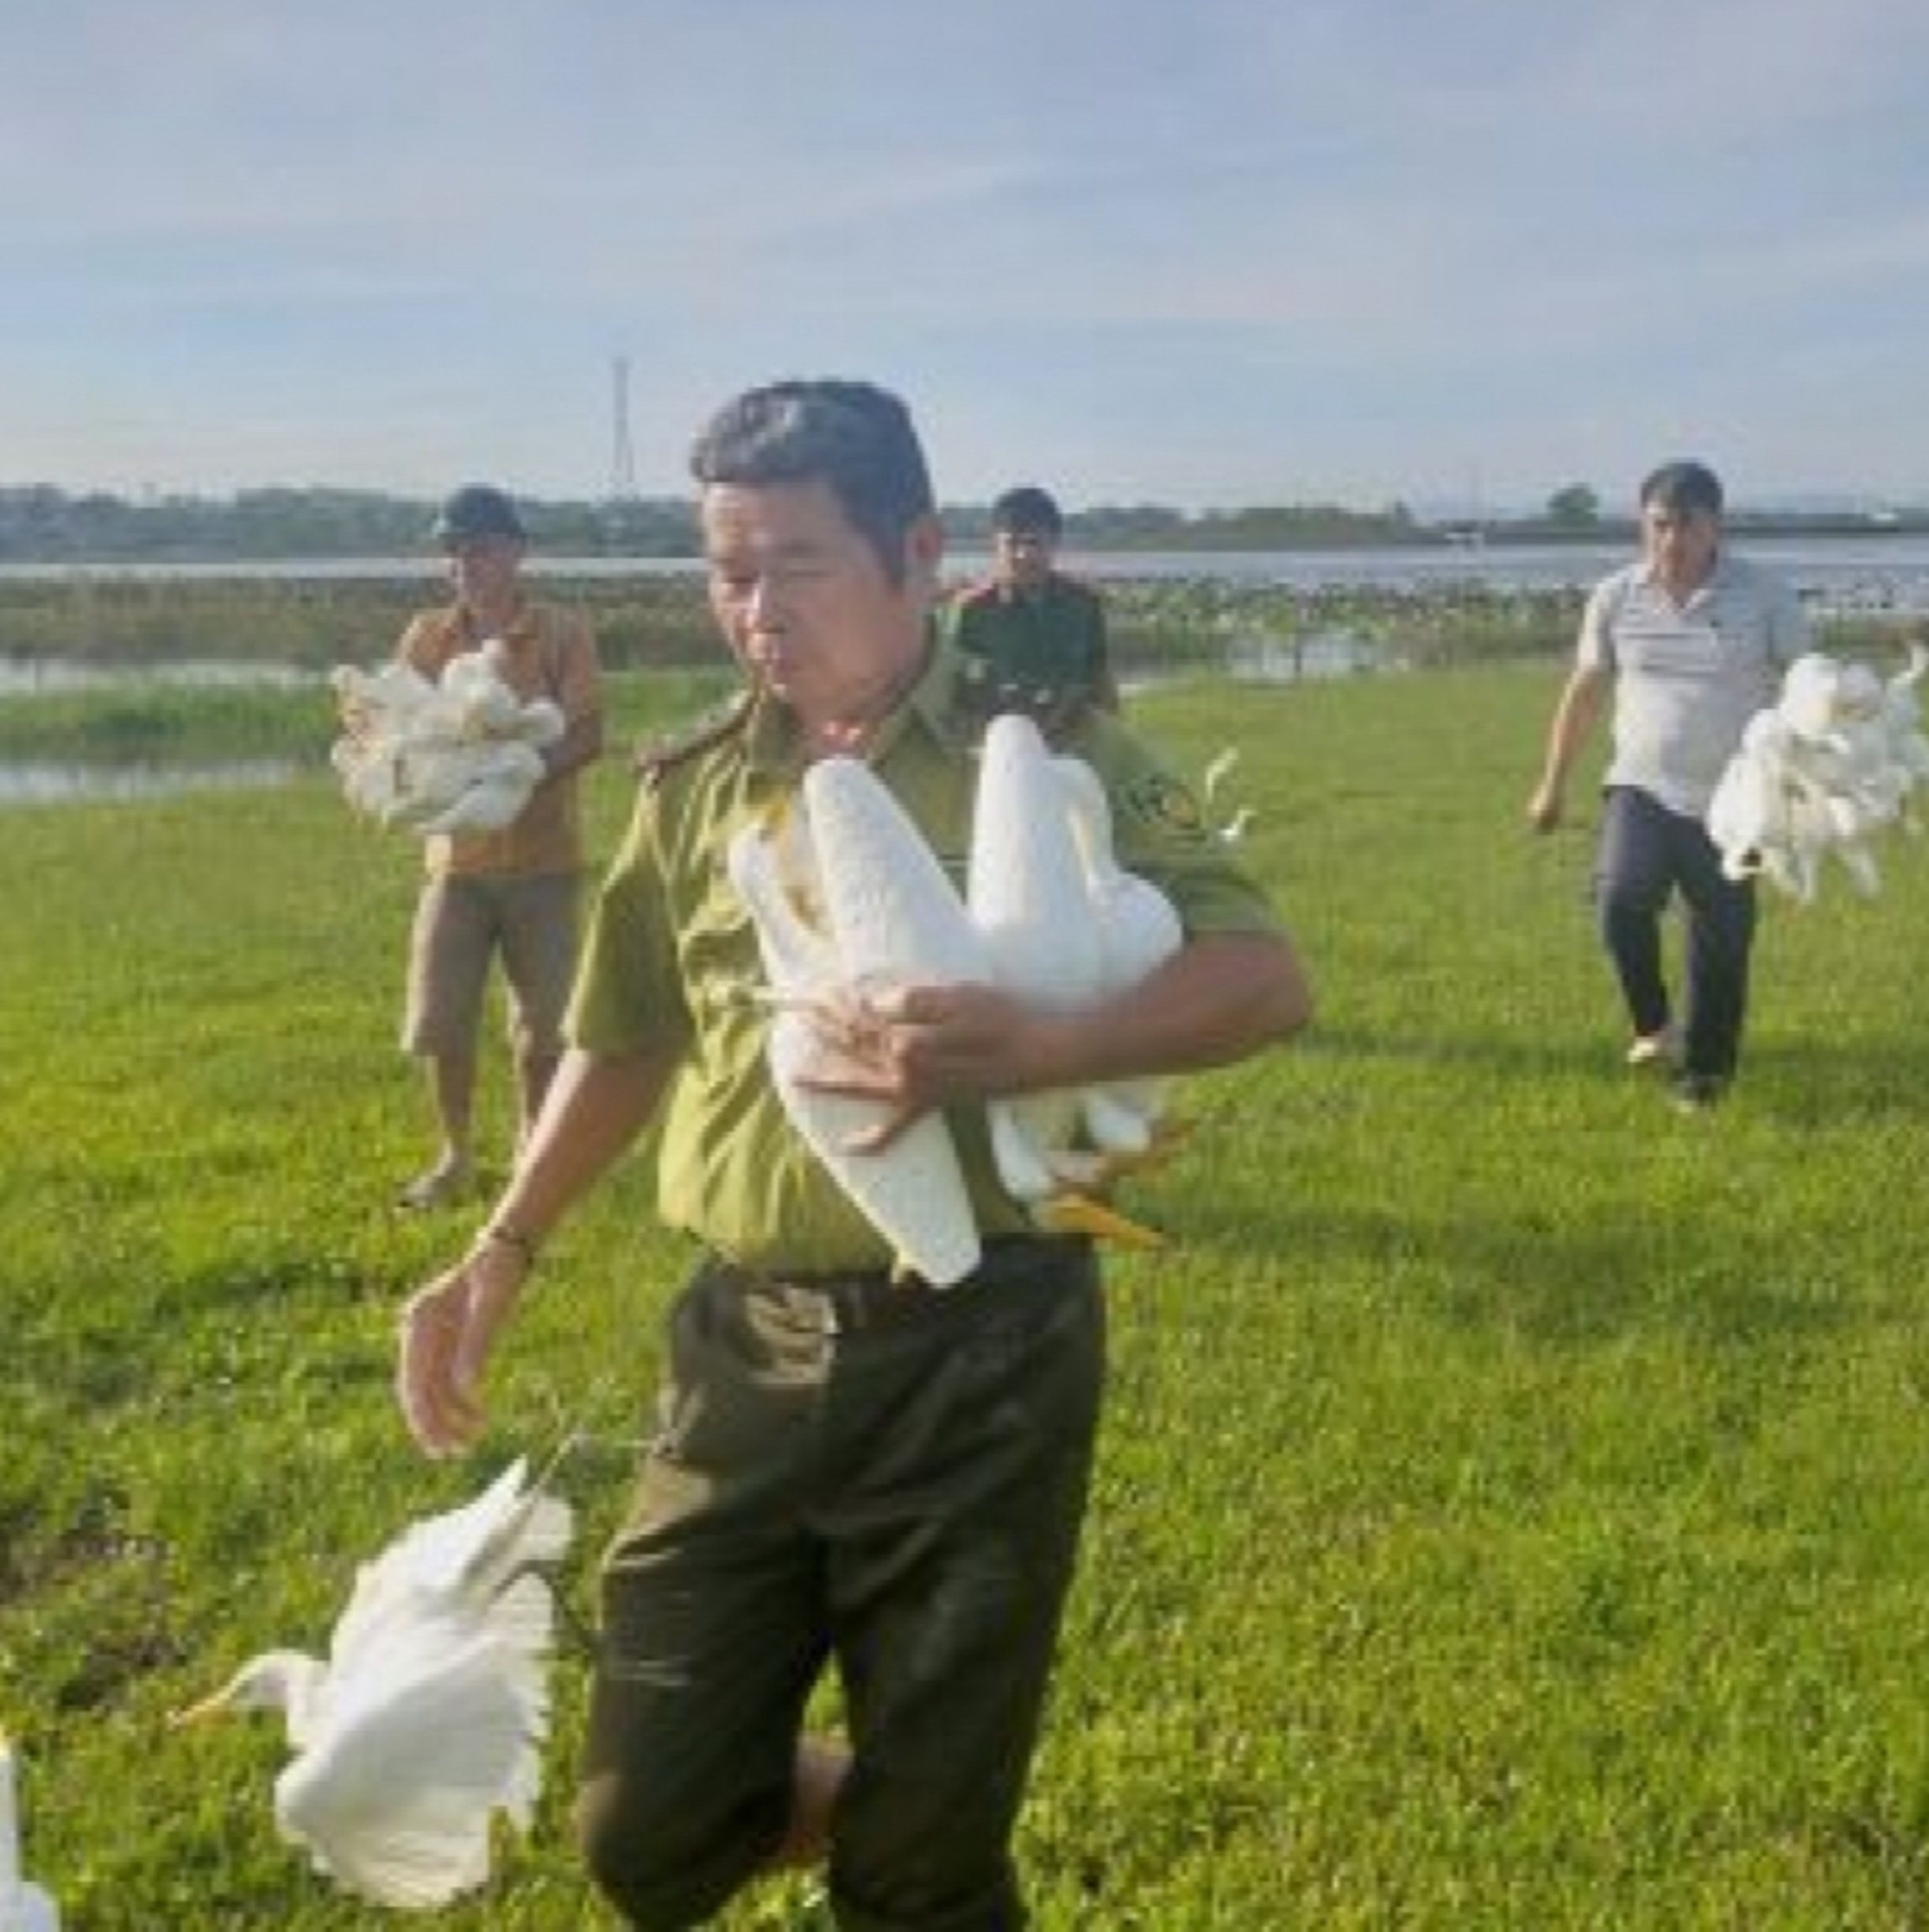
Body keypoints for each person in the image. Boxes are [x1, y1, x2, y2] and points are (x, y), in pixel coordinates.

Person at [395, 379, 1310, 1931]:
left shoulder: (1062, 748)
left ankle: (923, 1836)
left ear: (919, 552)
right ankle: (894, 1805)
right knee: (646, 1831)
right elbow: (625, 1033)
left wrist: (1045, 1047)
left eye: (794, 567)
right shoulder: (695, 789)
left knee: (919, 1877)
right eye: (726, 572)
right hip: (740, 1356)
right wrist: (501, 1248)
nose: (752, 613)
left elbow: (1263, 972)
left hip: (983, 1361)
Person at [1526, 460, 1808, 1112]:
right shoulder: (1616, 596)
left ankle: (1704, 1078)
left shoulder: (1765, 595)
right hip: (1640, 786)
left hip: (1738, 797)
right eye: (1658, 526)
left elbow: (1805, 686)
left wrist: (1812, 777)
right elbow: (1587, 691)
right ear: (1642, 524)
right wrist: (1552, 785)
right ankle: (1654, 1024)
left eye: (1686, 526)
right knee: (1621, 898)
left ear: (1717, 527)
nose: (1671, 542)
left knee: (1721, 938)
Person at [393, 482, 605, 1208]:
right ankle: (453, 1158)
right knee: (441, 1017)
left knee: (543, 1026)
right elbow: (404, 731)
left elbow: (587, 734)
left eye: (479, 548)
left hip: (544, 866)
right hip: (455, 867)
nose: (464, 564)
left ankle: (530, 1153)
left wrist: (516, 774)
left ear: (517, 552)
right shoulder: (427, 636)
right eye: (453, 551)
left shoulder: (561, 633)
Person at [943, 483, 1119, 713]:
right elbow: (952, 689)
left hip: (1074, 735)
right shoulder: (972, 610)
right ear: (995, 545)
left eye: (1034, 542)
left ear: (1055, 541)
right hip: (1003, 738)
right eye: (1012, 543)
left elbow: (1101, 678)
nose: (1024, 555)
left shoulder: (1084, 604)